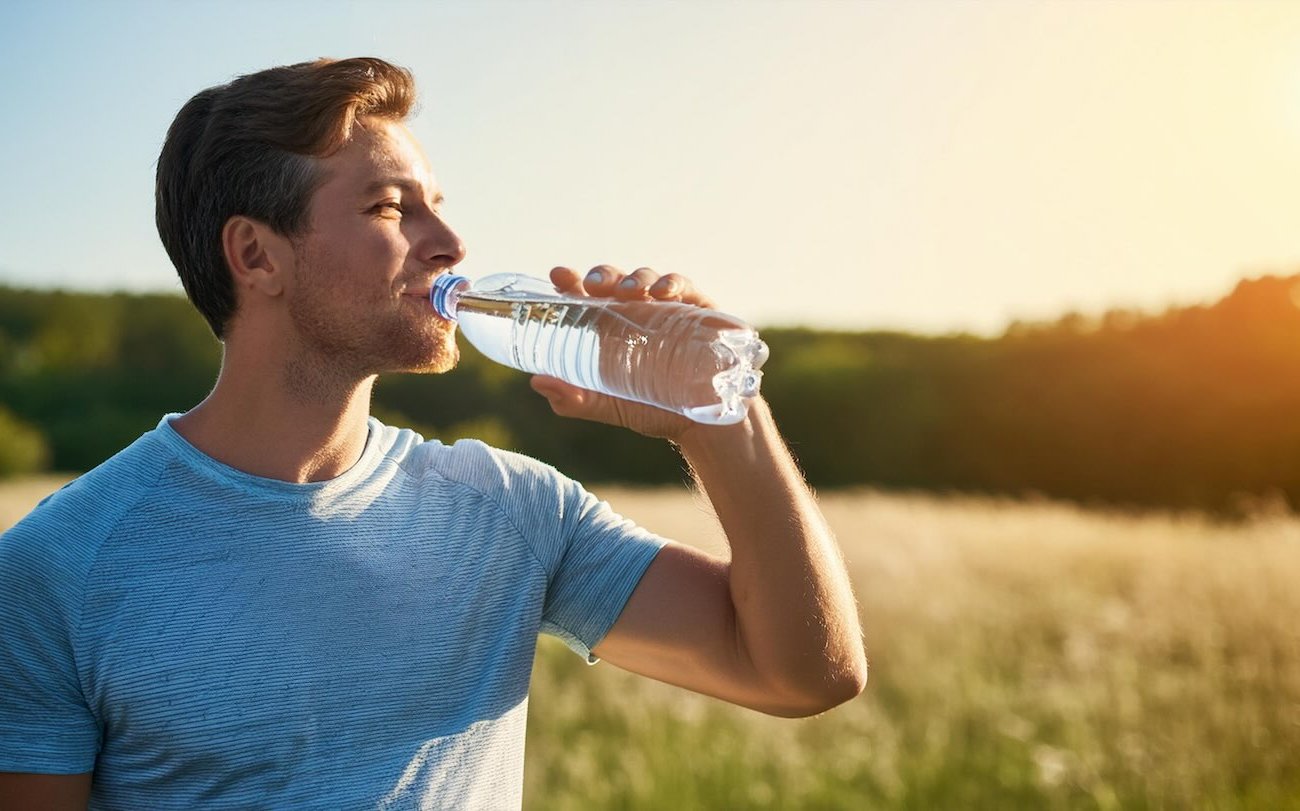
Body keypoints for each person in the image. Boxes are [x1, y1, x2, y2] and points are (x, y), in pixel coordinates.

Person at [0, 57, 866, 809]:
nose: (449, 242)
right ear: (256, 256)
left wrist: (719, 417)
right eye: (390, 208)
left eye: (438, 206)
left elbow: (802, 673)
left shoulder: (511, 508)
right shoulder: (58, 570)